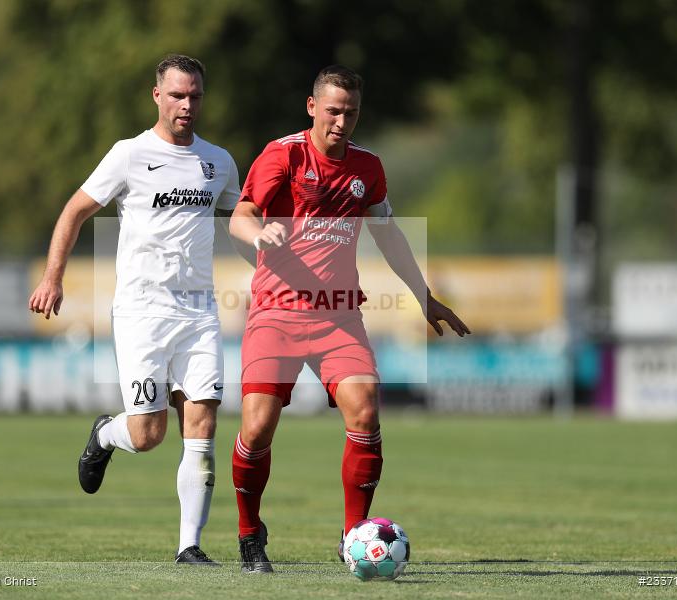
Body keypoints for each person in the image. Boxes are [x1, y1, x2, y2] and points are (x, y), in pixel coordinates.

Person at [228, 65, 470, 573]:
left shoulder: (368, 167)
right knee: (257, 428)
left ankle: (353, 535)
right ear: (312, 106)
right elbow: (241, 215)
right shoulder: (284, 154)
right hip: (277, 311)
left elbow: (388, 235)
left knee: (365, 411)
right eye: (334, 110)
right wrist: (259, 236)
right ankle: (250, 534)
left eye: (352, 111)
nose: (342, 121)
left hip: (338, 313)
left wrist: (425, 298)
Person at [28, 55, 240, 565]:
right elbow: (75, 211)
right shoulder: (129, 154)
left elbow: (242, 223)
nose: (186, 105)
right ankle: (106, 433)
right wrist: (53, 276)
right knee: (147, 436)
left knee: (204, 423)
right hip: (143, 310)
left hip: (199, 312)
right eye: (177, 95)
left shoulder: (220, 161)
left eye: (194, 96)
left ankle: (189, 545)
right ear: (157, 96)